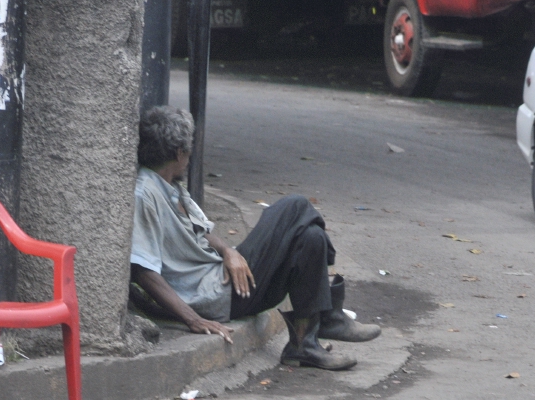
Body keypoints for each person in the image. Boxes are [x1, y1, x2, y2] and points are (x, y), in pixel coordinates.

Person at [129, 105, 380, 371]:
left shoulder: (172, 188)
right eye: (189, 150)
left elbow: (202, 232)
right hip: (215, 296)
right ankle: (329, 316)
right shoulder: (145, 193)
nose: (190, 157)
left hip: (231, 284)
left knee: (312, 237)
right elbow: (144, 272)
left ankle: (303, 345)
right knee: (295, 206)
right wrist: (194, 320)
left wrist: (229, 251)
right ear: (179, 153)